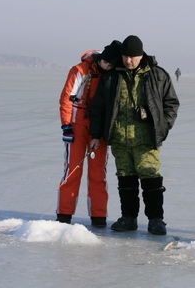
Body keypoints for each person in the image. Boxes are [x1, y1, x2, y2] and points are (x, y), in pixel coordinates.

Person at [89, 35, 179, 235]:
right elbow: (99, 108)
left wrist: (162, 127)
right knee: (125, 180)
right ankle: (128, 218)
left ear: (141, 55)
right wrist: (96, 134)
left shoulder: (157, 75)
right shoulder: (112, 77)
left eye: (133, 57)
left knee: (151, 180)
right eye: (125, 56)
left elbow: (171, 104)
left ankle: (156, 220)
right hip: (120, 140)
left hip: (146, 140)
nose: (128, 61)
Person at [57, 40, 122, 227]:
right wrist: (66, 126)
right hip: (77, 125)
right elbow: (66, 99)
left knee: (98, 173)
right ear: (100, 59)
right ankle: (64, 214)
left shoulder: (111, 76)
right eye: (104, 62)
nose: (106, 66)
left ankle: (99, 216)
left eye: (110, 64)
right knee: (73, 170)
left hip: (99, 128)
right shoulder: (80, 70)